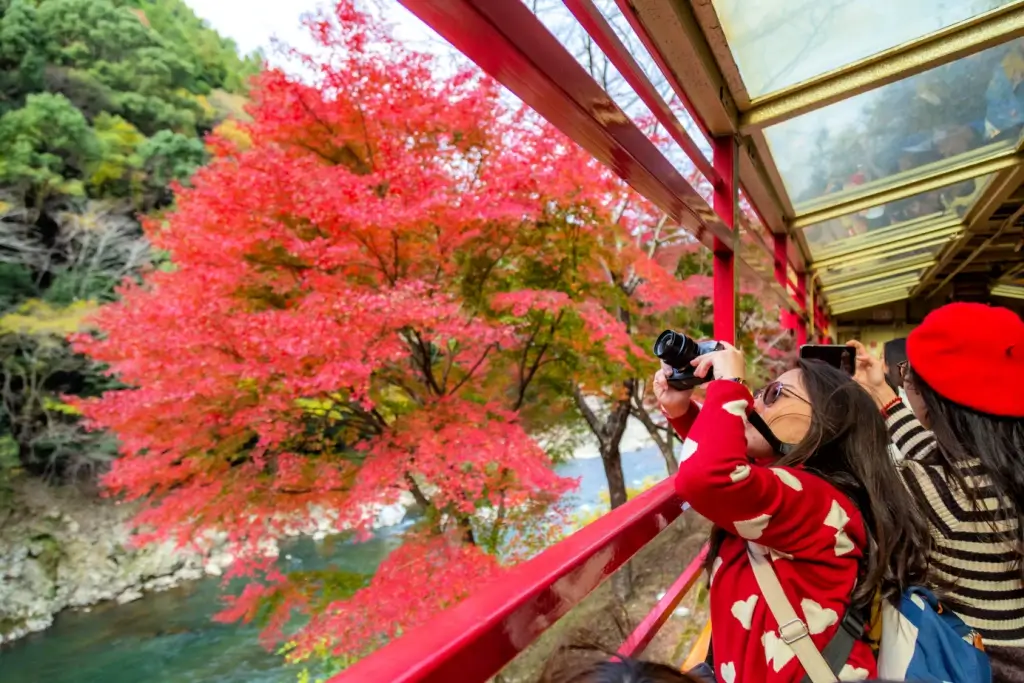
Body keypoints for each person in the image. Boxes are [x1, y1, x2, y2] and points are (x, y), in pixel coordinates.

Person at [653, 344, 929, 683]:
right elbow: (735, 466)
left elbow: (711, 477)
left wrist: (729, 383)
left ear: (829, 425)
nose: (752, 404)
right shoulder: (803, 491)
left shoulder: (816, 499)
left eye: (774, 394)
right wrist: (684, 414)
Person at [849, 302, 1024, 683]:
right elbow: (939, 458)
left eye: (909, 374)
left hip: (971, 665)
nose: (904, 380)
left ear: (938, 401)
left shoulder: (933, 491)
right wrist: (882, 391)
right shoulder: (998, 469)